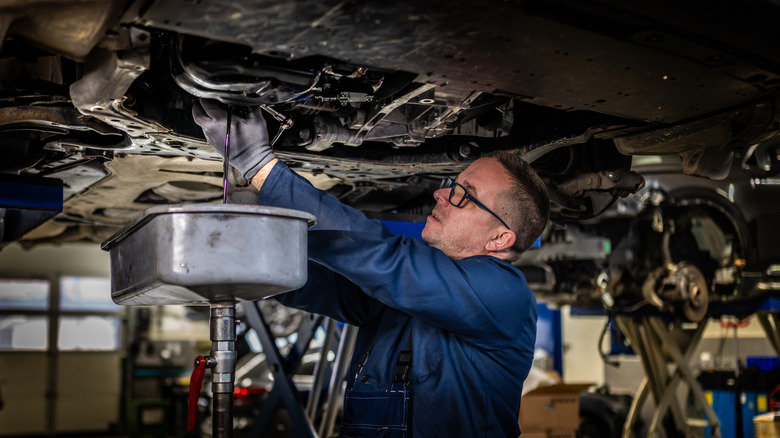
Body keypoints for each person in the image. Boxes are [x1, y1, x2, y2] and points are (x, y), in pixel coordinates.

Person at [193, 99, 550, 438]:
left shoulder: (505, 293)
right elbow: (332, 286)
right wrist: (247, 261)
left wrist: (260, 166)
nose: (441, 195)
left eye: (464, 195)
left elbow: (381, 258)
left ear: (500, 238)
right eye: (450, 185)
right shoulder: (415, 294)